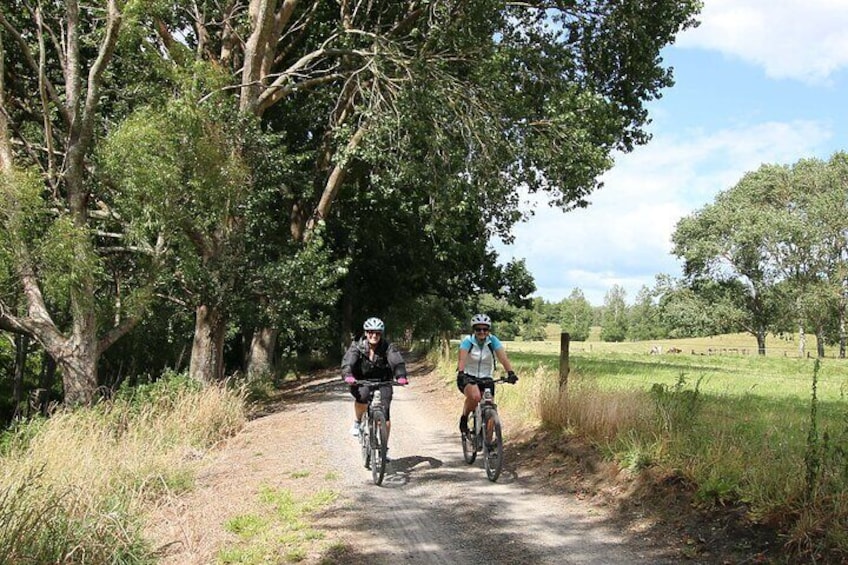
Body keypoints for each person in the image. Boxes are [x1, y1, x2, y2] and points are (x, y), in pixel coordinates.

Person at [341, 317, 408, 447]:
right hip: (361, 380)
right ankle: (358, 421)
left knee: (386, 414)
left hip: (383, 381)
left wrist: (400, 375)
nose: (374, 335)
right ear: (366, 333)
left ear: (381, 334)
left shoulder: (388, 347)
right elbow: (348, 361)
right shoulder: (357, 346)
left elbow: (396, 361)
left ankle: (384, 448)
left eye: (377, 333)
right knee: (363, 396)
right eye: (371, 332)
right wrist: (348, 375)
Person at [456, 313, 518, 435]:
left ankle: (488, 443)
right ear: (474, 330)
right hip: (468, 375)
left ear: (488, 330)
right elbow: (462, 359)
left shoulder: (492, 341)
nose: (482, 332)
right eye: (478, 329)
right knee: (476, 397)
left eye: (485, 329)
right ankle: (464, 417)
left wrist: (510, 372)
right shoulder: (468, 341)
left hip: (486, 377)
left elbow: (503, 358)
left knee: (490, 404)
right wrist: (461, 373)